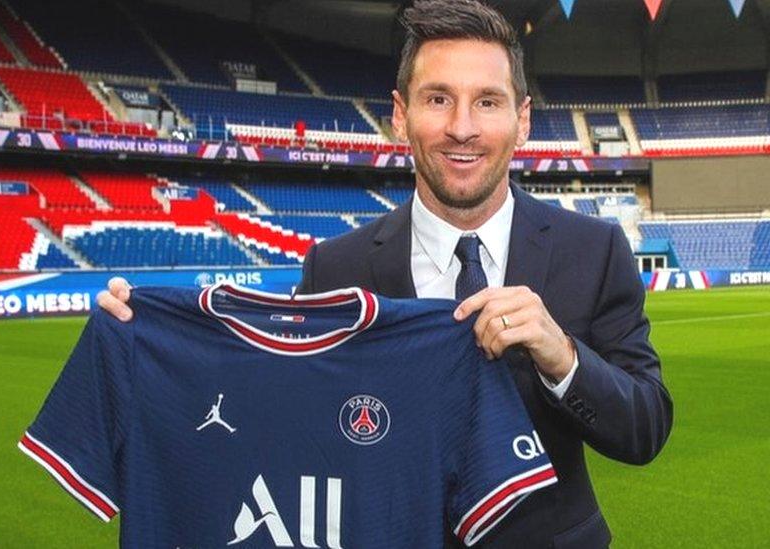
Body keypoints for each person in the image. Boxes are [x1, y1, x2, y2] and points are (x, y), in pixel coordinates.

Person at [96, 1, 673, 546]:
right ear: (401, 115)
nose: (463, 127)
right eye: (438, 99)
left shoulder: (593, 250)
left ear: (522, 121)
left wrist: (562, 356)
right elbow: (283, 422)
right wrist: (148, 344)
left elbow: (645, 428)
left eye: (488, 102)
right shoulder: (335, 268)